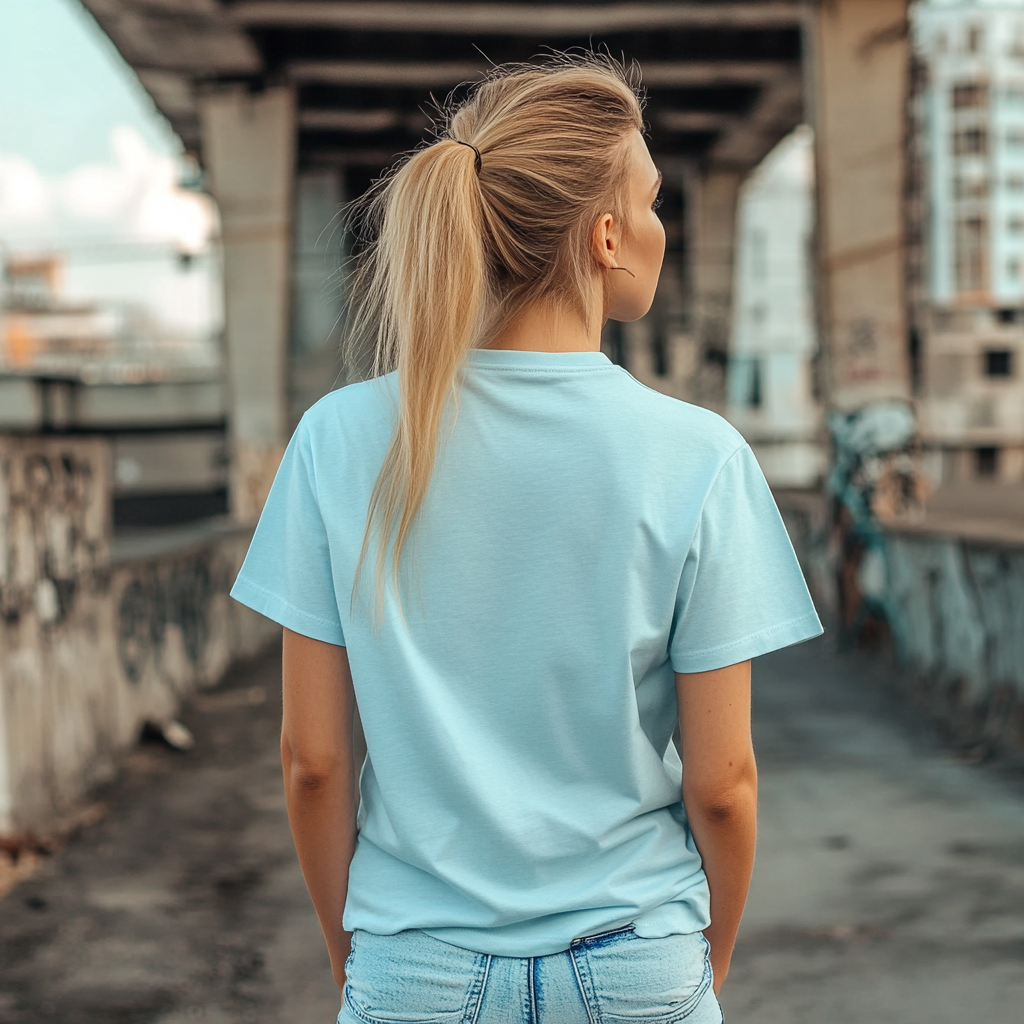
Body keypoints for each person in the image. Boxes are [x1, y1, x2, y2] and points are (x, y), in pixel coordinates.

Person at [230, 54, 822, 1024]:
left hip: (415, 960)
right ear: (605, 236)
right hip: (636, 952)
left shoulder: (337, 438)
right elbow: (723, 781)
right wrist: (704, 958)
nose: (661, 228)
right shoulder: (699, 454)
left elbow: (312, 759)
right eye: (653, 203)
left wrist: (357, 952)